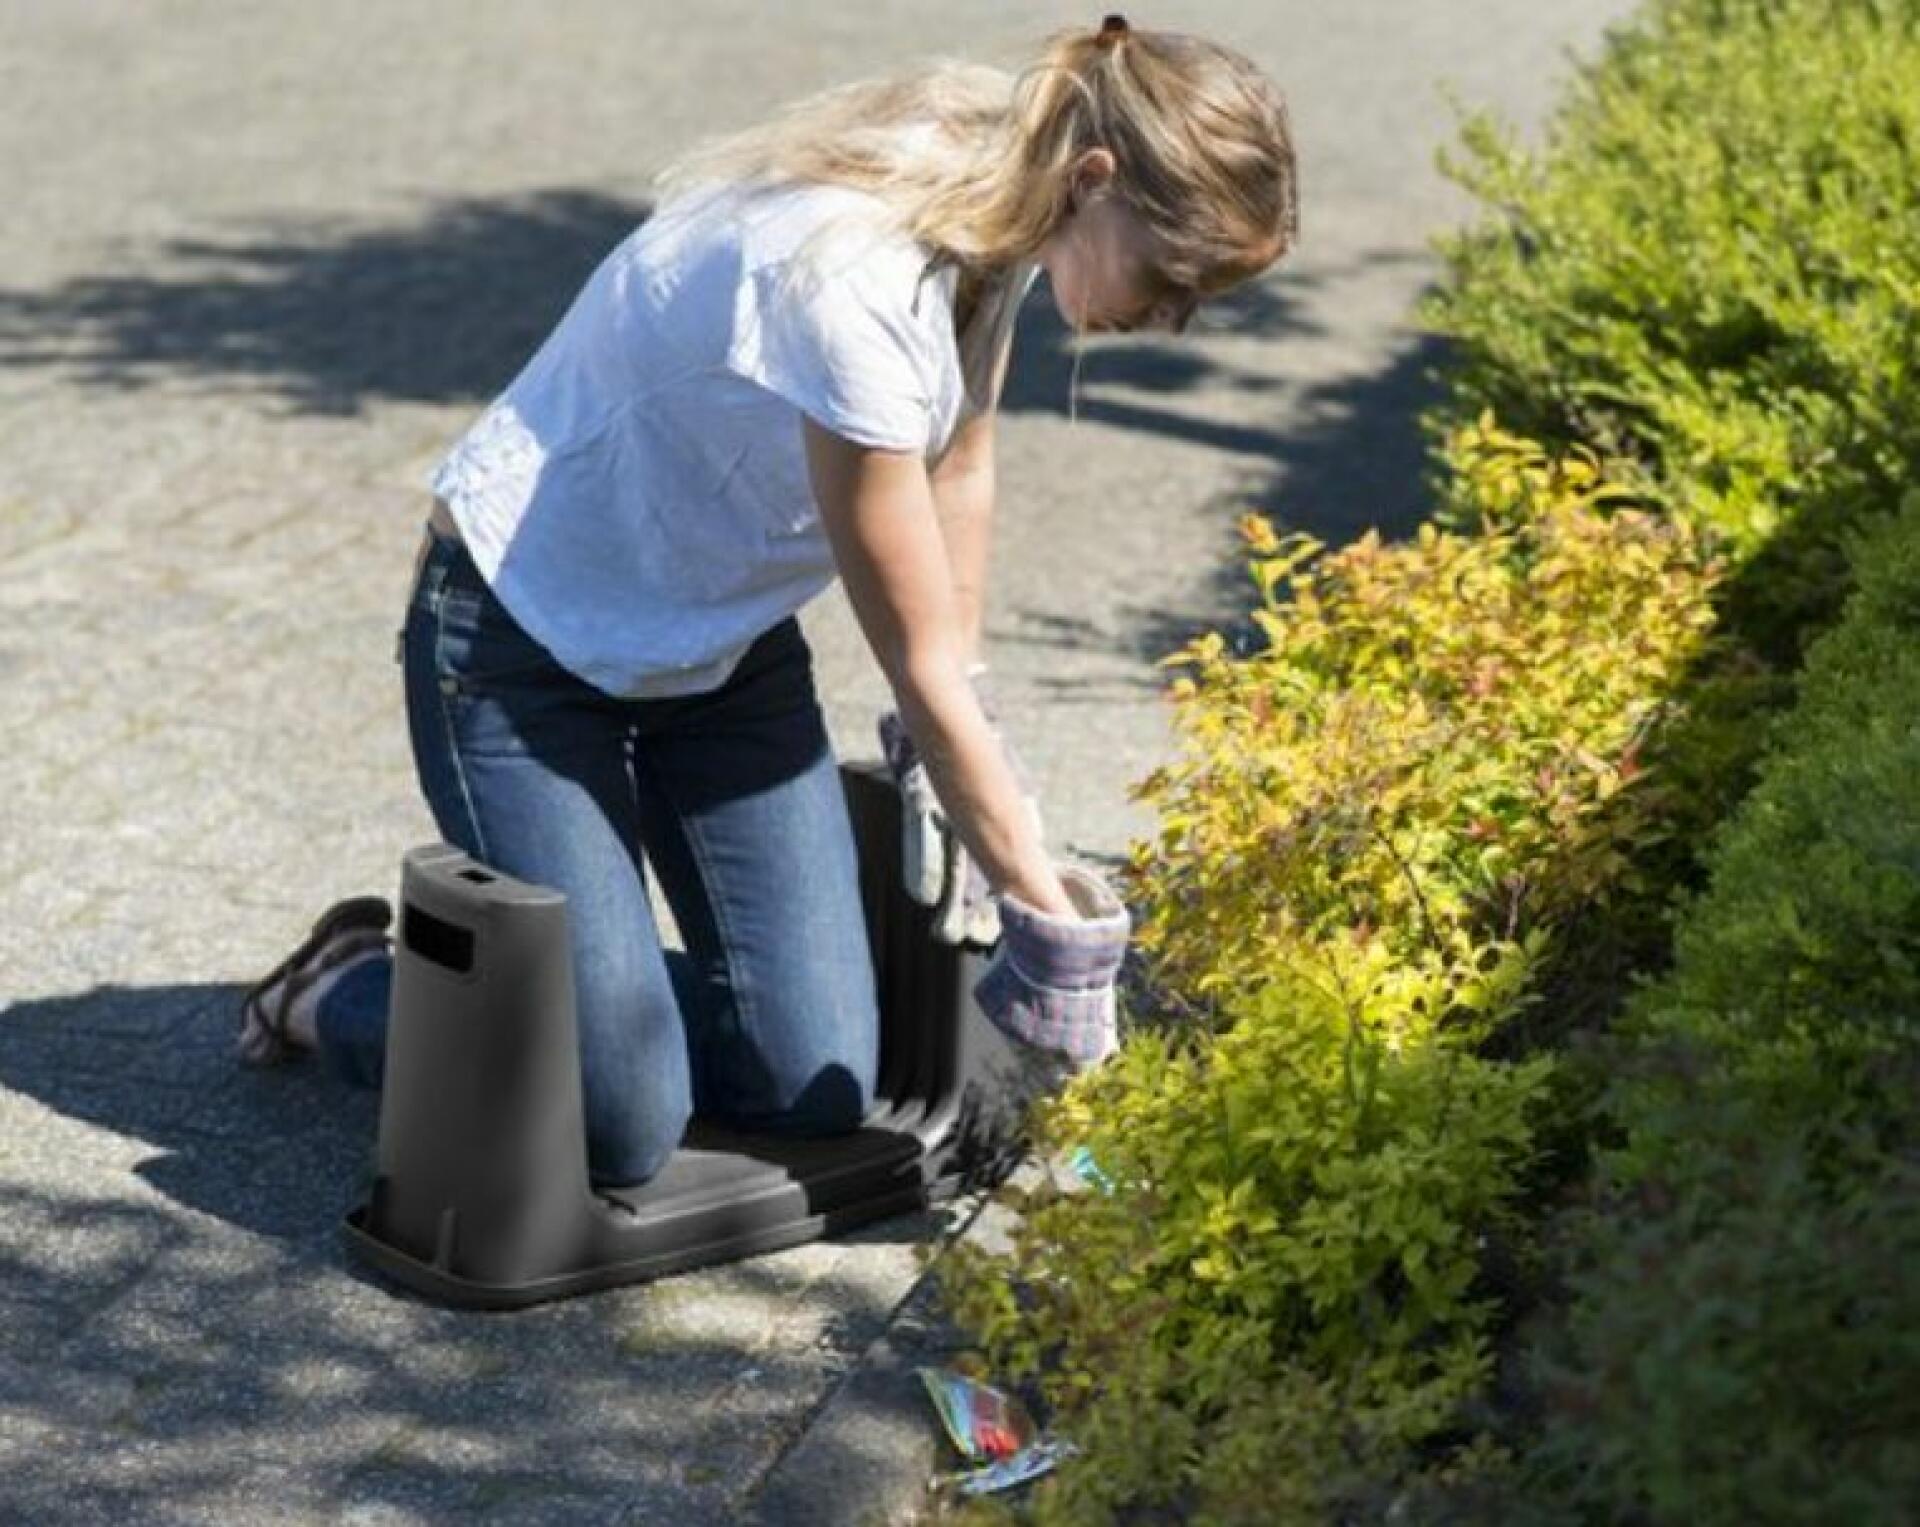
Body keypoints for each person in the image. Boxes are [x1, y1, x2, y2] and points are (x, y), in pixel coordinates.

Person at [236, 14, 1299, 1192]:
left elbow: (962, 468)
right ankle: (341, 991)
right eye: (1177, 278)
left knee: (813, 1084)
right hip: (519, 649)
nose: (1175, 318)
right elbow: (916, 668)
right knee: (622, 1118)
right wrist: (1050, 920)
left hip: (720, 653)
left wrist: (967, 716)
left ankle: (595, 1000)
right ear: (1096, 179)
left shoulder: (997, 210)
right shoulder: (854, 277)